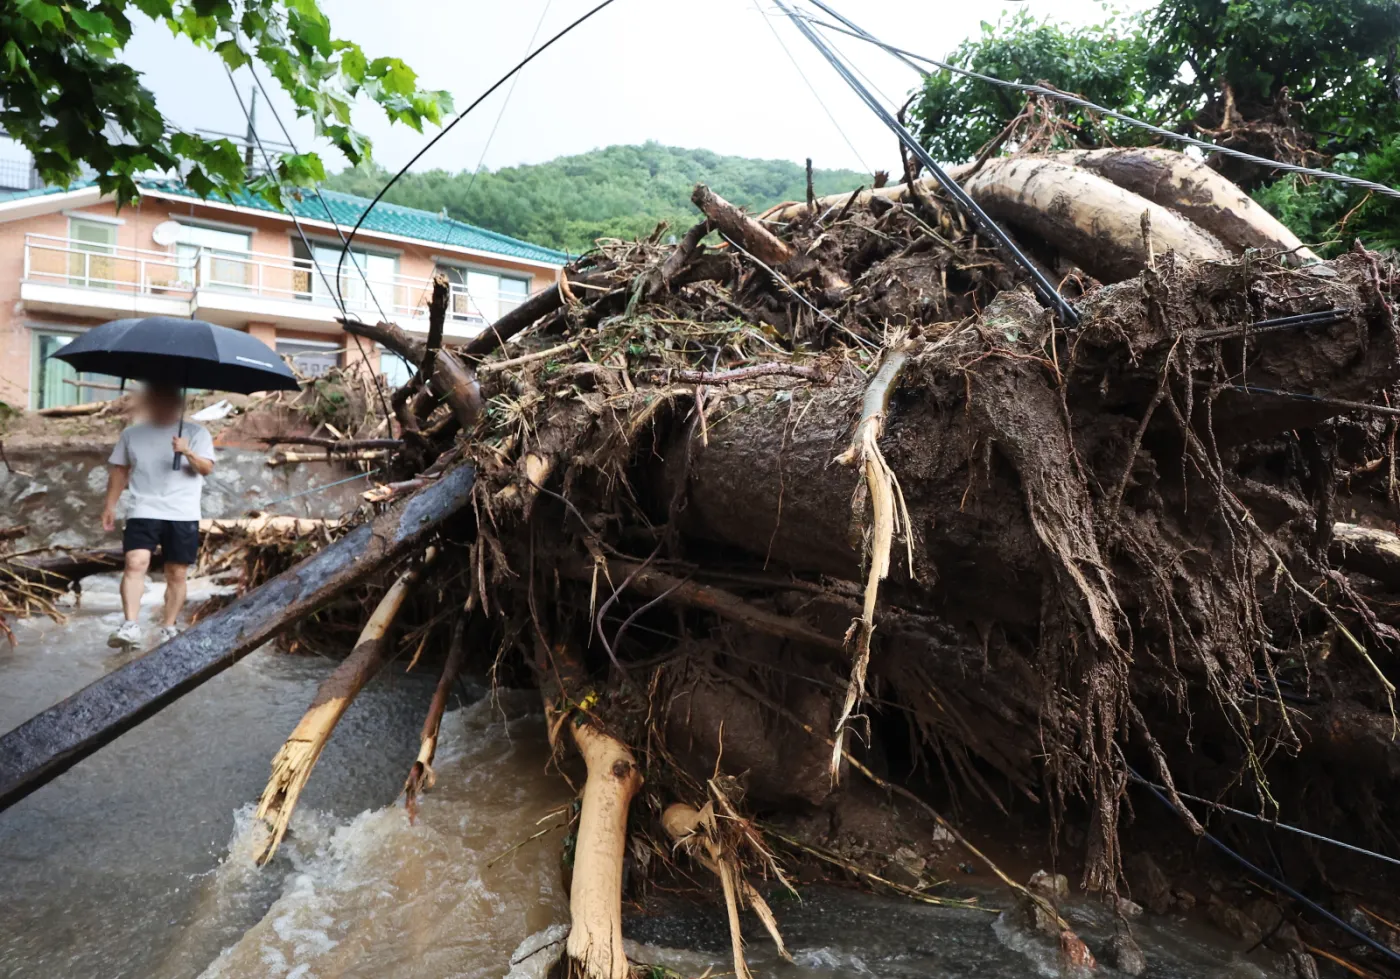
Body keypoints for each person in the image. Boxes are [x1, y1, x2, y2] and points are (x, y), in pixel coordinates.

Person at [101, 384, 216, 650]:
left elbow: (206, 468)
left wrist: (187, 451)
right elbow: (119, 471)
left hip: (182, 511)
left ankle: (168, 627)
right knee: (135, 562)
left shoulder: (196, 433)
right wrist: (110, 505)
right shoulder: (132, 434)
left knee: (176, 573)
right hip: (143, 508)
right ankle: (130, 625)